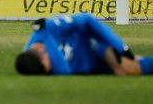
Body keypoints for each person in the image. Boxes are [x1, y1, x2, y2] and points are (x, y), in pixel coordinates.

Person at [15, 13, 153, 75]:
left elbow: (87, 19)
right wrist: (43, 33)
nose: (52, 68)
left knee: (125, 69)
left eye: (47, 64)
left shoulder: (53, 26)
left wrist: (121, 47)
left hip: (91, 44)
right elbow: (65, 72)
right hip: (88, 67)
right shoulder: (34, 60)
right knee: (134, 62)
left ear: (39, 50)